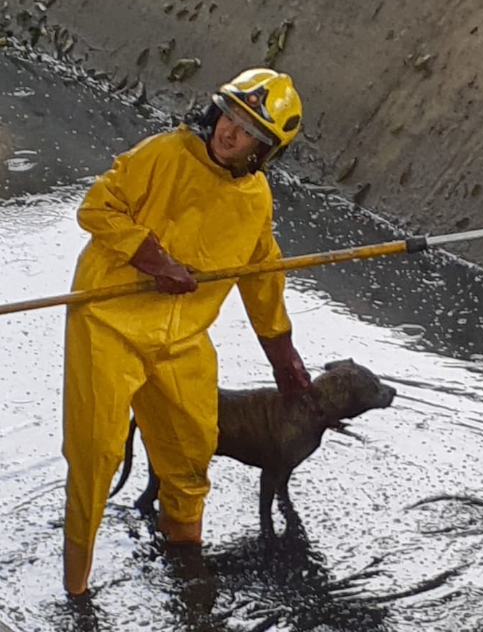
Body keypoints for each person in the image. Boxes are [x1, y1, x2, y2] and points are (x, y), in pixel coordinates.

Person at [62, 68, 314, 596]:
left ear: (267, 150)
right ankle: (77, 589)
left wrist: (283, 357)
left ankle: (186, 565)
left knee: (191, 451)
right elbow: (96, 207)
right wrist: (153, 258)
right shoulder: (164, 154)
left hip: (181, 339)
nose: (230, 133)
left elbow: (261, 274)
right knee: (97, 455)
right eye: (231, 117)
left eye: (249, 131)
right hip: (109, 323)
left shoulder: (255, 198)